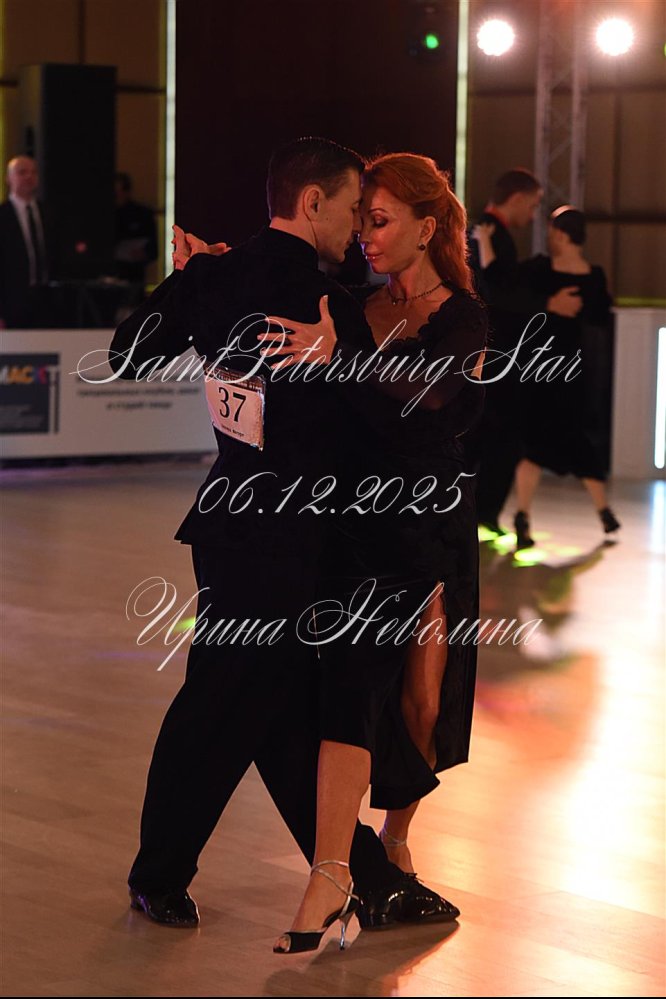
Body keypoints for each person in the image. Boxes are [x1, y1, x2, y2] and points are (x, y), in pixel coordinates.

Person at [108, 137, 456, 939]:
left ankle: (359, 877)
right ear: (312, 203)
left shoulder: (217, 278)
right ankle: (163, 874)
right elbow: (380, 431)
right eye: (350, 210)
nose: (355, 229)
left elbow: (129, 352)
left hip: (229, 525)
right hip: (295, 541)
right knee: (229, 705)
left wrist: (193, 279)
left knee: (274, 710)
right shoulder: (325, 302)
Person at [258, 153, 487, 954]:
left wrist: (342, 358)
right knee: (350, 690)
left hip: (429, 530)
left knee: (422, 702)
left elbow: (427, 392)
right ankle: (330, 870)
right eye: (361, 221)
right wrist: (214, 262)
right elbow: (279, 300)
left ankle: (393, 838)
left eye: (380, 221)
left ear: (428, 227)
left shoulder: (463, 319)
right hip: (356, 528)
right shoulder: (352, 307)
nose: (365, 236)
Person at [468, 168, 582, 537]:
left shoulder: (486, 232)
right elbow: (495, 293)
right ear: (517, 199)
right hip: (496, 357)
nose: (533, 216)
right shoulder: (491, 234)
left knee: (493, 435)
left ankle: (479, 513)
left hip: (491, 355)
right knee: (503, 436)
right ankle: (481, 513)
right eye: (533, 206)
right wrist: (549, 303)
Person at [508, 206, 620, 547]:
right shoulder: (592, 277)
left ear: (559, 234)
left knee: (538, 445)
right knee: (572, 440)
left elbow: (508, 295)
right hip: (569, 368)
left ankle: (523, 515)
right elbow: (600, 317)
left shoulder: (539, 270)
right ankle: (603, 511)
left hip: (543, 367)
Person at [0, 156, 53, 328]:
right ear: (9, 178)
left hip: (46, 300)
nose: (29, 177)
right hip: (11, 302)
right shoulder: (3, 215)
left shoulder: (47, 213)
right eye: (22, 172)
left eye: (33, 172)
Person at [114, 172, 158, 285]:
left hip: (134, 275)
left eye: (119, 192)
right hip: (107, 273)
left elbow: (153, 248)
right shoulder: (103, 216)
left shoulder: (142, 214)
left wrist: (144, 252)